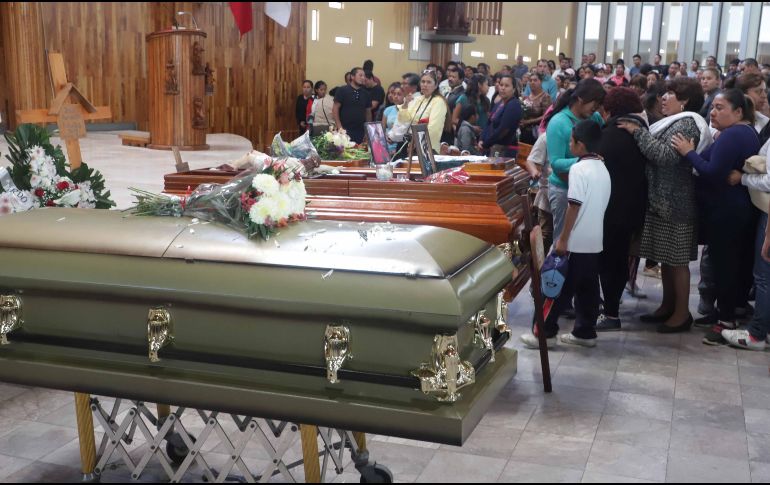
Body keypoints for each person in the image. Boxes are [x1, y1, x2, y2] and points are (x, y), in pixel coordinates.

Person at [618, 77, 711, 333]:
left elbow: (665, 157)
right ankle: (668, 306)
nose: (664, 98)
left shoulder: (689, 123)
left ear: (686, 101)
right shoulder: (674, 121)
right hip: (663, 200)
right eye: (664, 93)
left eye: (671, 94)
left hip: (676, 202)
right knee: (666, 259)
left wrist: (638, 132)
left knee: (677, 261)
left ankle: (681, 314)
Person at [671, 89, 760, 345]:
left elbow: (710, 171)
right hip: (730, 209)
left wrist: (688, 151)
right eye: (713, 107)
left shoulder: (734, 134)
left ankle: (726, 321)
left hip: (728, 211)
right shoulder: (739, 132)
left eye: (720, 107)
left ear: (739, 112)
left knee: (726, 267)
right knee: (727, 264)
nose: (713, 112)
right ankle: (724, 315)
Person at [520, 120, 611, 348]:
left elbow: (574, 205)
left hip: (575, 241)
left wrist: (563, 238)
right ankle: (585, 332)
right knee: (588, 289)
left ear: (580, 144)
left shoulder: (579, 169)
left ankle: (543, 332)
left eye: (571, 141)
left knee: (555, 287)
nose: (569, 144)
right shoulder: (603, 168)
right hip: (594, 240)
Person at [595, 88, 649, 331]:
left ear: (609, 109)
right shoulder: (640, 131)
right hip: (633, 205)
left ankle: (611, 313)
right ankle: (611, 309)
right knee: (617, 259)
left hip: (611, 207)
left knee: (609, 261)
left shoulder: (610, 135)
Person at [544, 78, 606, 242]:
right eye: (595, 102)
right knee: (563, 240)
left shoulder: (595, 118)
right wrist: (585, 160)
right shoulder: (558, 122)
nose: (597, 107)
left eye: (599, 103)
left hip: (588, 189)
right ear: (580, 100)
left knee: (583, 242)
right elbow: (556, 163)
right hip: (564, 190)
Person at [396, 70, 448, 150]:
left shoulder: (438, 101)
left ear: (436, 85)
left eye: (429, 82)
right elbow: (404, 120)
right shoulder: (418, 99)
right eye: (423, 82)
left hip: (428, 148)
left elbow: (434, 129)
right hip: (412, 145)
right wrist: (405, 104)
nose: (425, 85)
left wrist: (416, 142)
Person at [478, 74, 522, 157]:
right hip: (492, 146)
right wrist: (481, 139)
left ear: (514, 89)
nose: (503, 88)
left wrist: (486, 144)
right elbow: (489, 122)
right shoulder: (500, 103)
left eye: (507, 85)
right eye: (501, 85)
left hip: (504, 149)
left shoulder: (514, 105)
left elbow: (503, 130)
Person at [333, 68, 372, 144]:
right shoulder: (342, 90)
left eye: (364, 76)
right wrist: (340, 128)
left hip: (361, 131)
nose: (363, 78)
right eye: (360, 75)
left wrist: (367, 131)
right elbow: (335, 109)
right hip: (344, 130)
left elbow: (368, 113)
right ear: (352, 76)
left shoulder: (366, 94)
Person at [519, 72, 552, 144]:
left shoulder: (545, 97)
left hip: (535, 132)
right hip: (523, 130)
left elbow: (546, 116)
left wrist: (528, 122)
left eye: (535, 80)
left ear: (541, 82)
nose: (532, 82)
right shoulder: (526, 96)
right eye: (530, 80)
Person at [381, 82, 404, 152]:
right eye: (394, 94)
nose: (396, 96)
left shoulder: (408, 110)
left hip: (401, 147)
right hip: (387, 145)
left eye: (399, 94)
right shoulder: (388, 110)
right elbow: (382, 130)